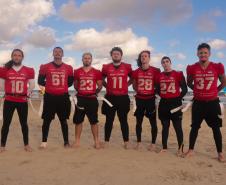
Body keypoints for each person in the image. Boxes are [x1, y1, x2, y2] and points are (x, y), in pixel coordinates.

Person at [184, 43, 225, 162]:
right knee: (194, 127)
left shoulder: (217, 66)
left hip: (213, 103)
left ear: (209, 54)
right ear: (197, 54)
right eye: (201, 52)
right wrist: (197, 90)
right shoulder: (192, 67)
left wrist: (215, 91)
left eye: (205, 52)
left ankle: (220, 154)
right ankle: (191, 150)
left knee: (216, 128)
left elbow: (223, 82)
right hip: (198, 103)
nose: (203, 54)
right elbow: (189, 83)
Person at [38, 47, 73, 149]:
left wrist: (60, 86)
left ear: (63, 54)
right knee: (46, 120)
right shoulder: (45, 66)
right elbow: (40, 81)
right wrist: (51, 85)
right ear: (53, 53)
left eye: (59, 52)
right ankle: (44, 142)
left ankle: (66, 142)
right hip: (50, 97)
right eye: (55, 52)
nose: (57, 53)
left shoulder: (68, 67)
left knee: (63, 120)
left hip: (63, 97)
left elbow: (70, 82)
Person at [0, 49, 35, 153]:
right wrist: (8, 92)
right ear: (12, 57)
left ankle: (26, 144)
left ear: (22, 57)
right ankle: (2, 146)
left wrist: (27, 93)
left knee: (24, 123)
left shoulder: (28, 70)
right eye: (15, 55)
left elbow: (32, 85)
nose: (17, 57)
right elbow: (1, 85)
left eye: (19, 55)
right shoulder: (5, 69)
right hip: (9, 100)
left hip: (22, 101)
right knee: (6, 123)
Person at [102, 47, 132, 149]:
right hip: (110, 97)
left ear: (121, 55)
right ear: (111, 55)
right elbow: (101, 79)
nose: (116, 55)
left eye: (117, 54)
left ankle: (126, 141)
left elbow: (133, 78)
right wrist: (107, 86)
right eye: (114, 54)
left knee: (123, 120)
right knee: (109, 120)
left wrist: (126, 85)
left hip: (123, 97)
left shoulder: (127, 67)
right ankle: (106, 141)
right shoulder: (106, 67)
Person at [157, 56, 187, 155]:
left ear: (170, 63)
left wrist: (177, 98)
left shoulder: (178, 74)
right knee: (165, 127)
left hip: (175, 104)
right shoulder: (159, 75)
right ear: (161, 64)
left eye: (167, 61)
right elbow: (157, 89)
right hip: (164, 104)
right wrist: (164, 96)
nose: (165, 63)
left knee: (178, 127)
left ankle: (180, 148)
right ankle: (164, 147)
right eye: (163, 62)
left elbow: (185, 89)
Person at [73, 52, 102, 149]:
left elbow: (100, 86)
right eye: (85, 58)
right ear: (82, 59)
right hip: (80, 99)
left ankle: (96, 141)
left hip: (92, 99)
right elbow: (76, 86)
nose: (87, 60)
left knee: (94, 121)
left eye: (88, 58)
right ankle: (77, 141)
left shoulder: (97, 72)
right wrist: (82, 92)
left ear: (91, 59)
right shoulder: (77, 71)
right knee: (78, 121)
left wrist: (94, 92)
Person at [132, 50, 160, 150]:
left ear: (149, 58)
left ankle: (153, 143)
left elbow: (158, 85)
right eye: (142, 56)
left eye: (146, 56)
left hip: (150, 100)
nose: (144, 58)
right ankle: (139, 142)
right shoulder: (136, 72)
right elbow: (134, 85)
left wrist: (151, 92)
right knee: (138, 122)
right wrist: (141, 91)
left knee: (153, 122)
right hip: (140, 99)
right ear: (140, 58)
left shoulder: (156, 70)